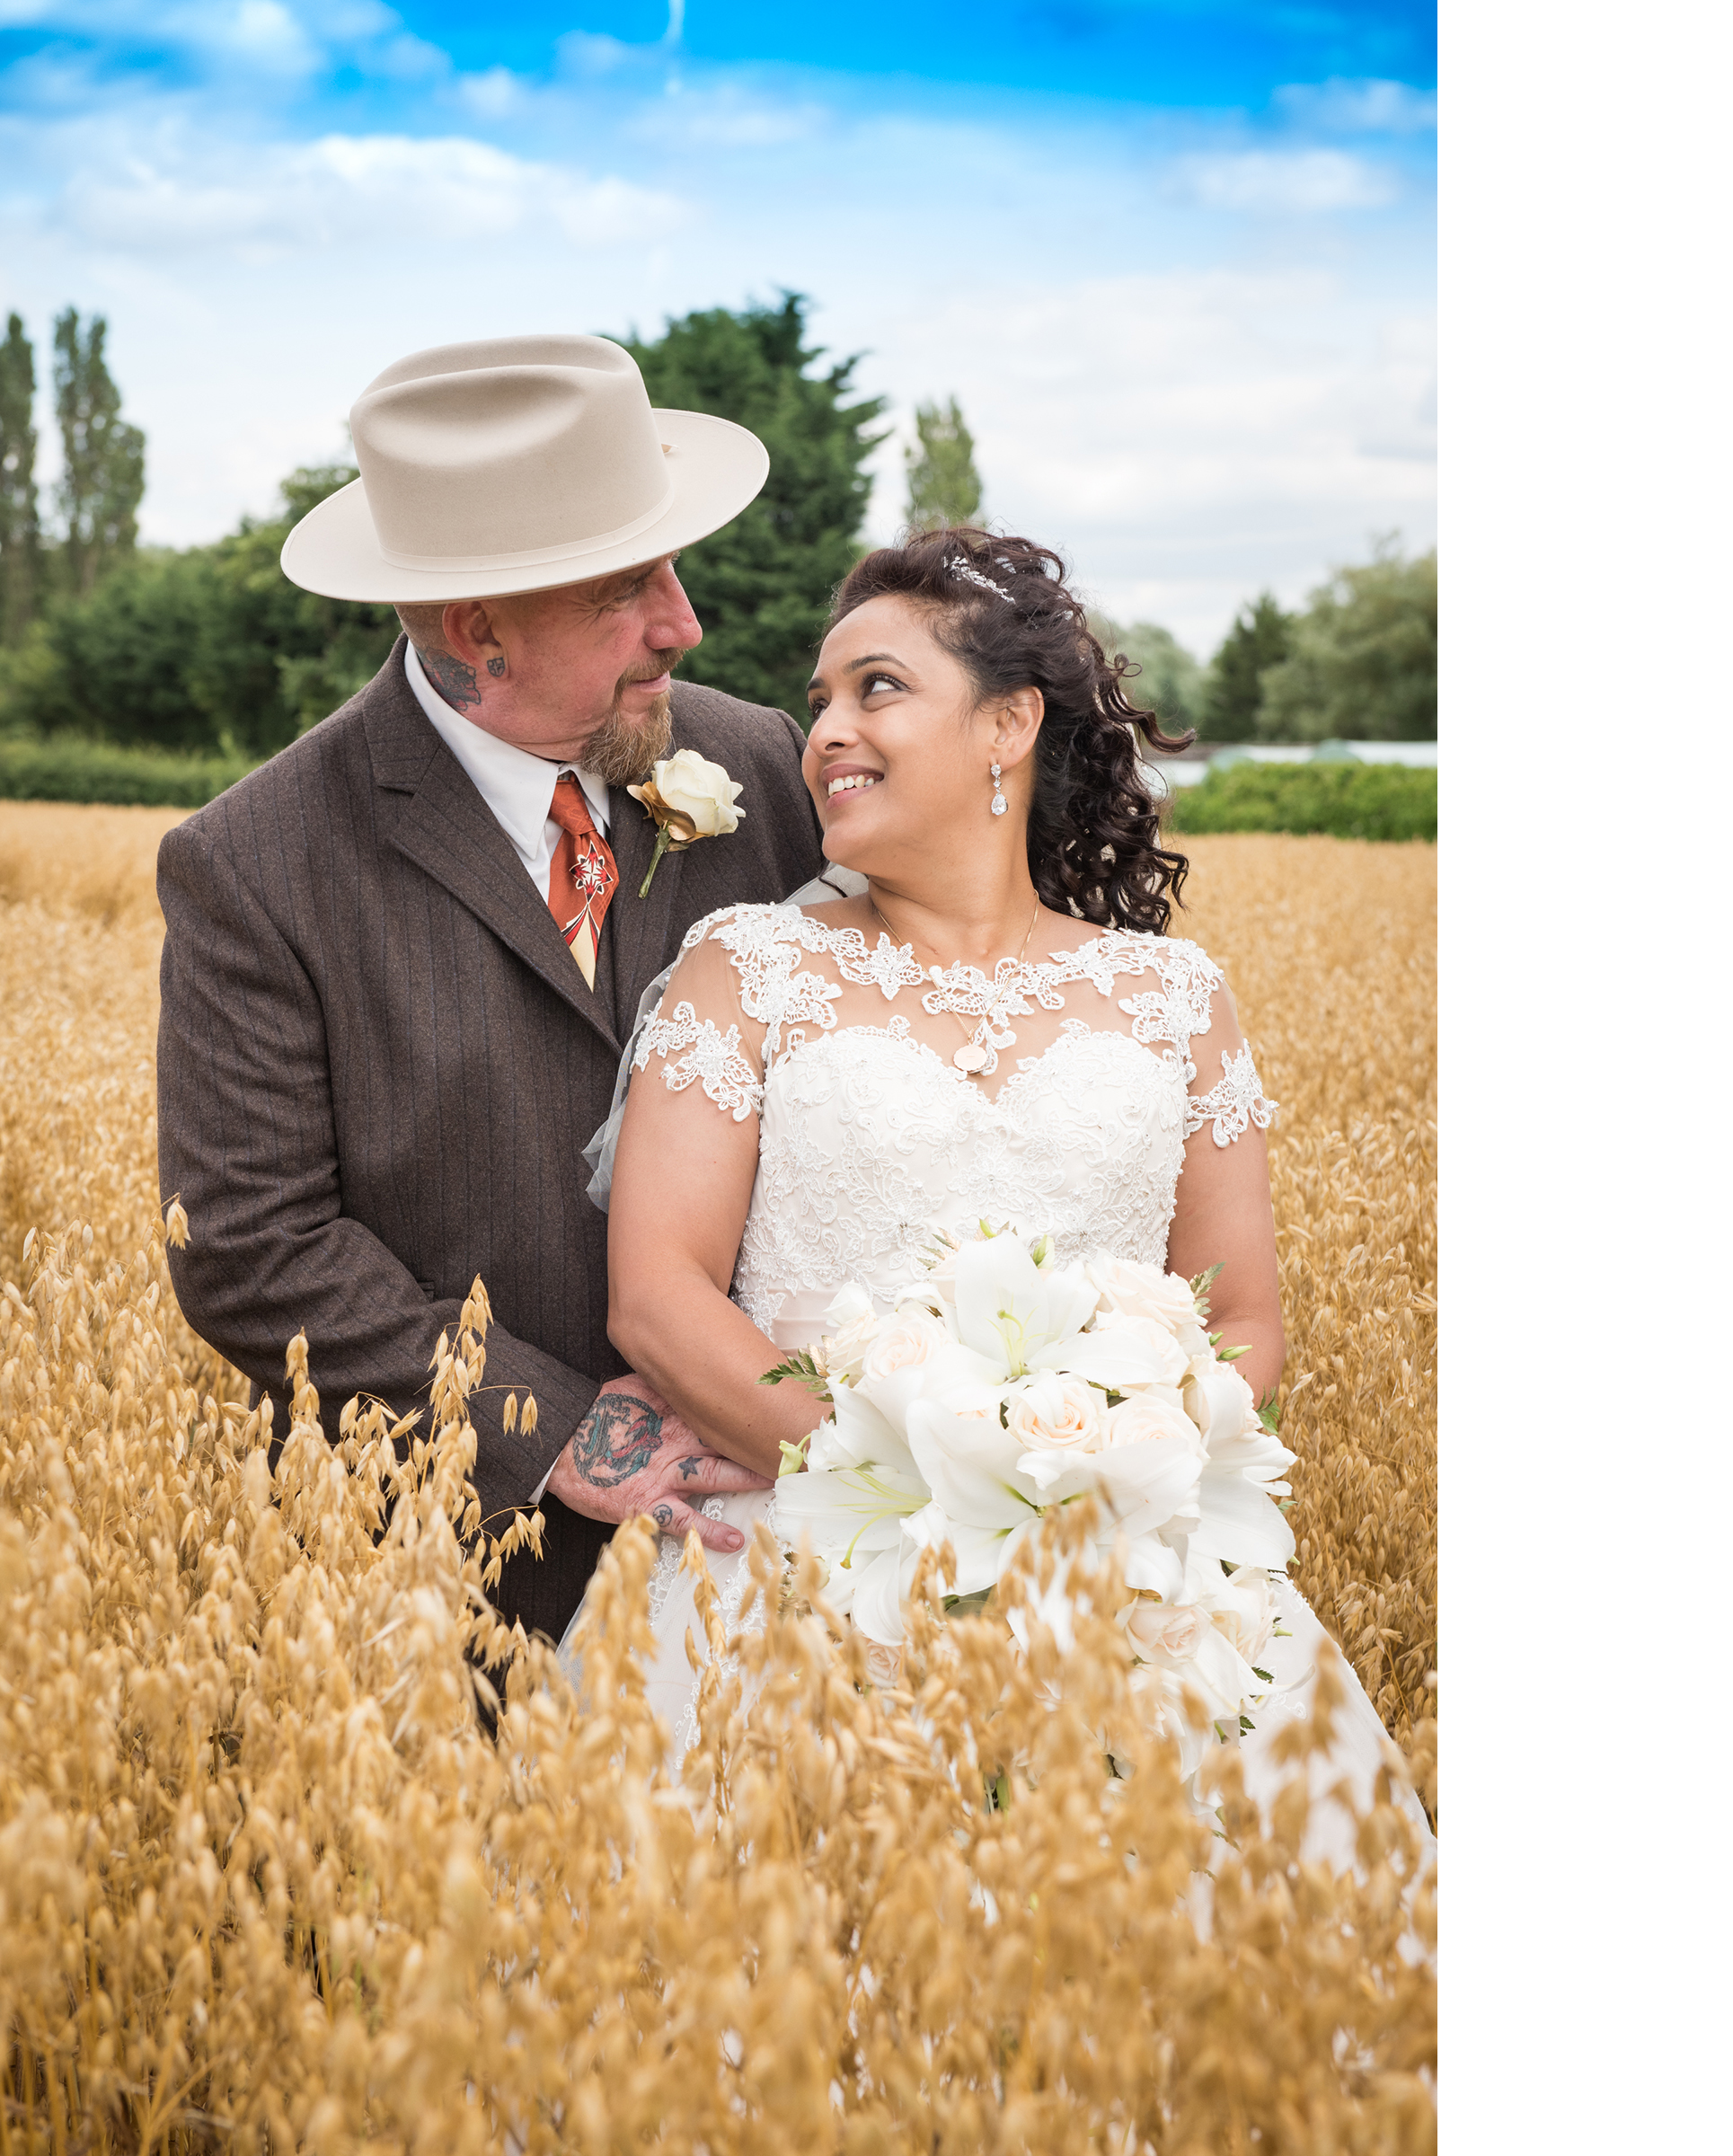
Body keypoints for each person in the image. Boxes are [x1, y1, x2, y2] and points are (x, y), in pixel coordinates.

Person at [587, 527, 1417, 1866]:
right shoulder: (748, 970)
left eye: (878, 689)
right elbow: (659, 1294)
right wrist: (922, 1491)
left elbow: (1246, 1322)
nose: (828, 734)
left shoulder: (1173, 1001)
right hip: (800, 1571)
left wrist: (1096, 1494)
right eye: (820, 704)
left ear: (1009, 725)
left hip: (1126, 1588)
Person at [160, 332, 830, 1648]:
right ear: (480, 633)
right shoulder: (253, 862)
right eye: (627, 588)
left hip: (781, 1551)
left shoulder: (763, 765)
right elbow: (249, 1247)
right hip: (451, 1587)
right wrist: (554, 1427)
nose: (682, 625)